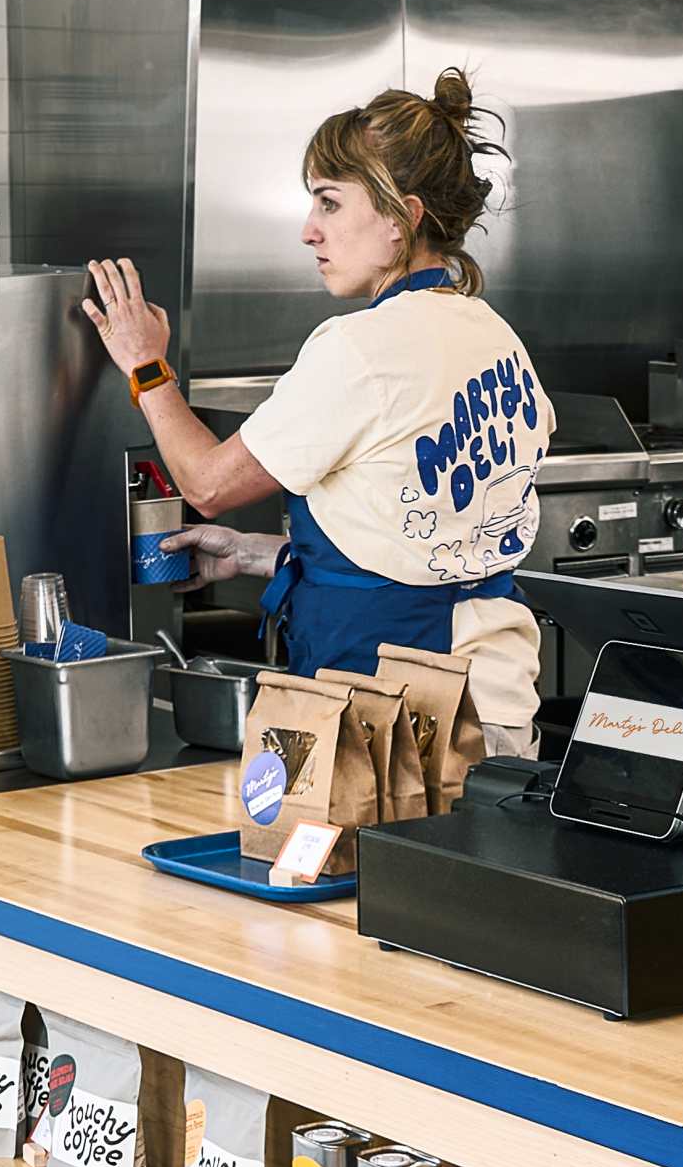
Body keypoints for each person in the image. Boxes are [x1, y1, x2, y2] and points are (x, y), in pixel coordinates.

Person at [76, 69, 548, 742]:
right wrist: (257, 555)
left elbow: (207, 485)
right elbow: (423, 545)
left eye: (329, 203)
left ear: (401, 217)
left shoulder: (362, 348)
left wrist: (148, 368)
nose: (309, 230)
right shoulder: (496, 340)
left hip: (391, 722)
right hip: (493, 710)